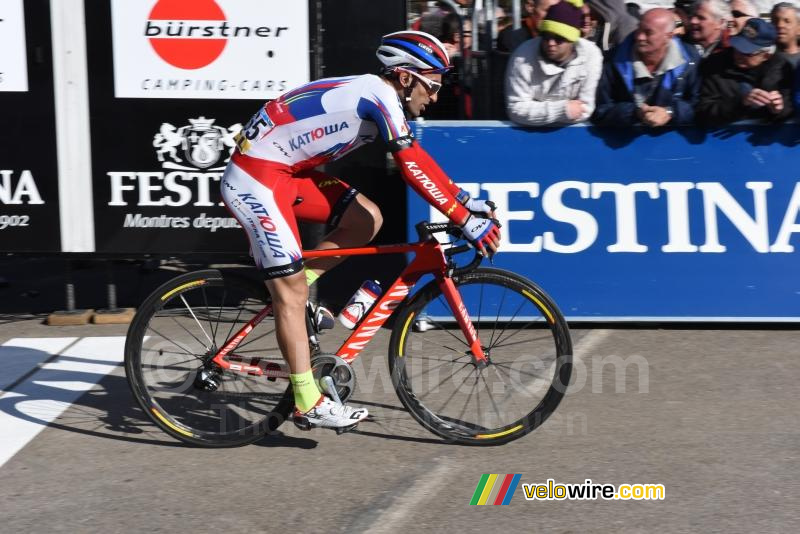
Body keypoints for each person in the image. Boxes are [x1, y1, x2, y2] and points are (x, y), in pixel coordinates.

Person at [220, 31, 501, 431]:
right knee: (291, 292)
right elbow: (408, 165)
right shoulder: (378, 95)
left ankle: (300, 295)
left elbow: (416, 156)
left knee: (366, 219)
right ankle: (307, 400)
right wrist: (463, 218)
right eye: (432, 85)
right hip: (256, 179)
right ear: (405, 77)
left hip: (287, 173)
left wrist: (463, 200)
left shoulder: (381, 96)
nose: (436, 96)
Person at [592, 8, 701, 127]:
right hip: (622, 140)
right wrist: (633, 112)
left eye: (648, 32)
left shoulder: (691, 61)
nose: (640, 37)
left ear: (668, 36)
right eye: (639, 28)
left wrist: (671, 112)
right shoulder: (612, 61)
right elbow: (600, 110)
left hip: (671, 142)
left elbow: (698, 106)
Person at [505, 0, 604, 126]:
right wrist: (563, 110)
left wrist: (535, 110)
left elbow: (585, 110)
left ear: (572, 40)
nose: (551, 43)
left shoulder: (592, 54)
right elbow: (516, 109)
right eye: (546, 36)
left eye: (559, 38)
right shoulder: (522, 56)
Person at [696, 17, 794, 126]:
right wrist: (741, 103)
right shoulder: (715, 65)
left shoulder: (781, 68)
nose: (738, 55)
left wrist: (778, 109)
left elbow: (789, 108)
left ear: (766, 56)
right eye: (737, 47)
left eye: (747, 53)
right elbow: (703, 111)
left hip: (762, 139)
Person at [771, 2, 800, 68]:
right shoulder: (761, 58)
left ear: (799, 29)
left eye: (787, 21)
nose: (780, 25)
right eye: (775, 20)